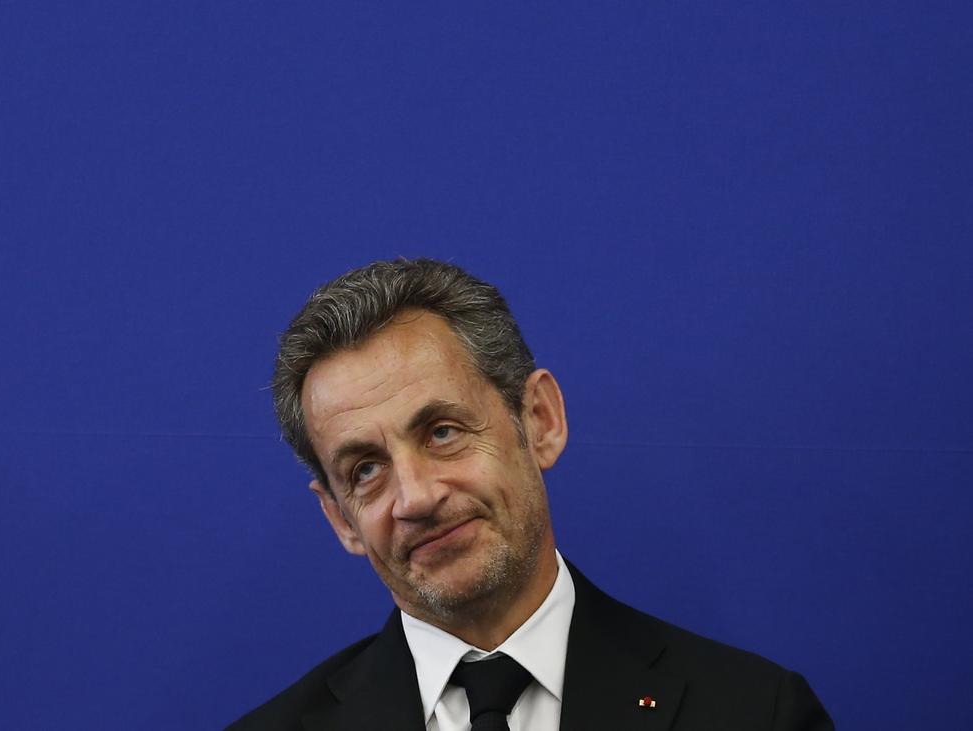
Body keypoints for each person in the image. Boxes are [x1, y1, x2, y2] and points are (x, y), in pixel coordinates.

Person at [228, 258, 833, 731]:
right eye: (365, 470)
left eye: (443, 432)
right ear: (340, 519)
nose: (415, 498)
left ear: (540, 421)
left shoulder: (757, 714)